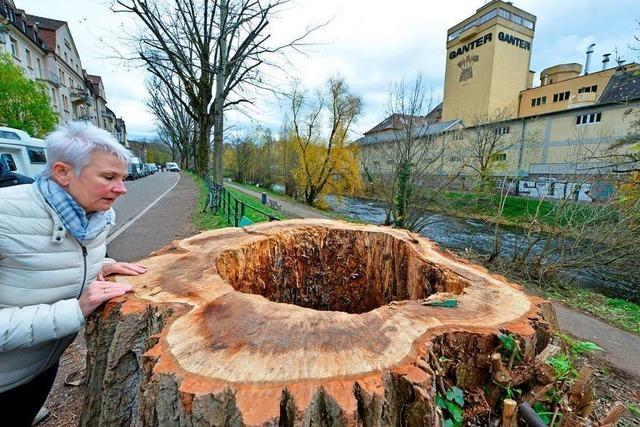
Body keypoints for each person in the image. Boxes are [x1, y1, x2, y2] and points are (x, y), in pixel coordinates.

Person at [0, 122, 147, 426]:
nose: (122, 188)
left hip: (42, 366)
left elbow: (55, 259)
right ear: (62, 172)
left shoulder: (95, 215)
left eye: (121, 177)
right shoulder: (5, 215)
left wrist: (101, 265)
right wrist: (76, 310)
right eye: (109, 177)